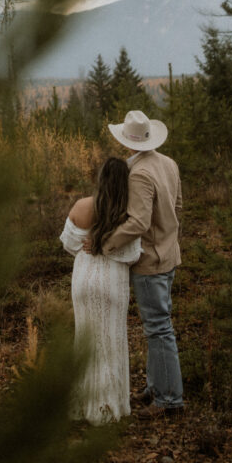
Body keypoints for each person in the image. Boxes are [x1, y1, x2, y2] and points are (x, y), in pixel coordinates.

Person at [99, 109, 184, 418]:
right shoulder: (168, 164)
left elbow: (137, 223)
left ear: (128, 141)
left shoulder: (139, 174)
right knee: (158, 327)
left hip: (151, 262)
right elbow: (177, 206)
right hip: (168, 255)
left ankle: (169, 399)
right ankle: (156, 387)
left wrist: (105, 244)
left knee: (159, 329)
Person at [59, 156, 142, 424]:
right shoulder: (128, 213)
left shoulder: (83, 206)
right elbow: (132, 255)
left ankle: (84, 405)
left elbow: (69, 244)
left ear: (101, 178)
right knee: (110, 342)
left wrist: (90, 244)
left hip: (84, 277)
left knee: (85, 341)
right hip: (112, 280)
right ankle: (107, 407)